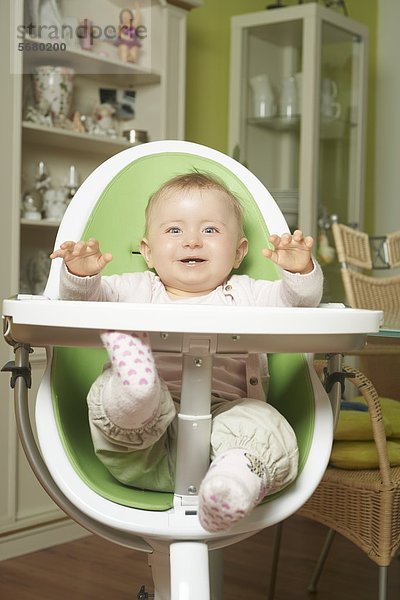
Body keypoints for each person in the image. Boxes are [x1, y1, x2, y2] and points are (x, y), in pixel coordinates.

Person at [50, 171, 323, 532]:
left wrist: (298, 271)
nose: (192, 241)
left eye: (210, 230)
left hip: (222, 432)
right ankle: (137, 386)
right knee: (111, 391)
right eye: (174, 230)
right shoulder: (136, 290)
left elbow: (298, 306)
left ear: (239, 252)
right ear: (147, 252)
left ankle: (232, 486)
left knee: (263, 424)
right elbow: (82, 306)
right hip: (140, 443)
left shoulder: (248, 294)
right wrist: (81, 277)